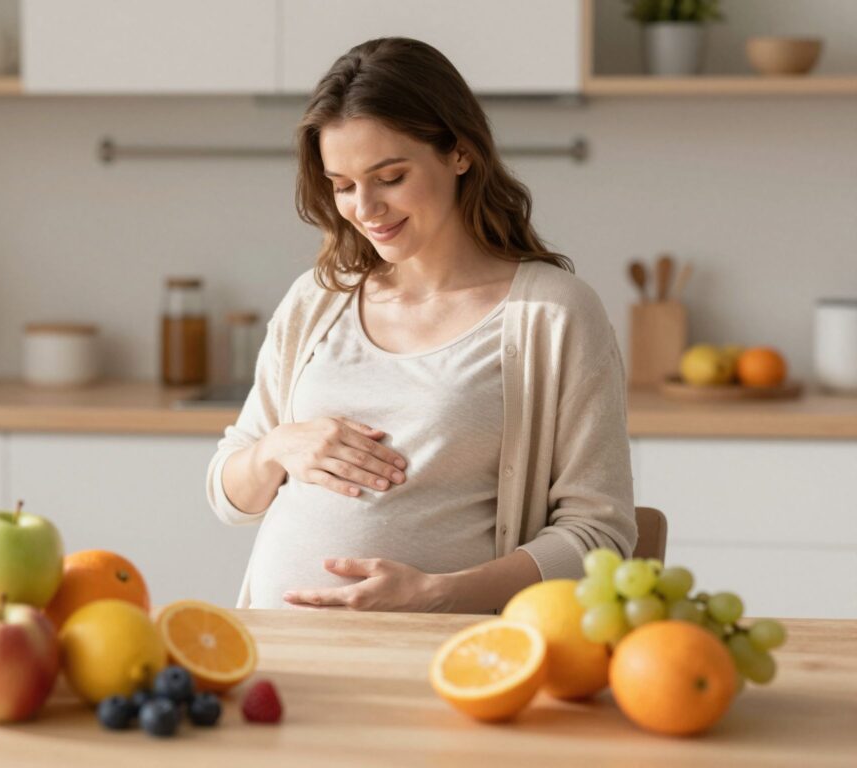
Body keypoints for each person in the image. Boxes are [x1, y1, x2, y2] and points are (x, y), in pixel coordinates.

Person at [206, 37, 635, 613]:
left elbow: (600, 537)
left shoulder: (553, 314)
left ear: (460, 152)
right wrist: (276, 449)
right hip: (278, 647)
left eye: (389, 177)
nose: (365, 209)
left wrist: (438, 594)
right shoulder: (317, 299)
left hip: (446, 650)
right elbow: (229, 497)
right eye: (343, 185)